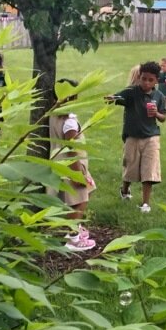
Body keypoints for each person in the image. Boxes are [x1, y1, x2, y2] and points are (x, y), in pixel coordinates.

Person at [106, 61, 166, 212]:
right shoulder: (131, 92)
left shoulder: (159, 96)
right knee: (130, 168)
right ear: (139, 77)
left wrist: (156, 114)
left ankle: (145, 203)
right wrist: (111, 98)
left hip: (151, 137)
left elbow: (163, 117)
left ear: (156, 81)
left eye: (150, 80)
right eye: (143, 79)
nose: (146, 83)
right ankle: (125, 190)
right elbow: (116, 97)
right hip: (132, 137)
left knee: (149, 170)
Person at [47, 79, 97, 251]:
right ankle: (73, 237)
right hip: (72, 165)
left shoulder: (52, 115)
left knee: (76, 197)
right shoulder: (69, 121)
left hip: (59, 162)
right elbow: (71, 148)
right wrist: (78, 174)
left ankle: (73, 230)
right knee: (80, 199)